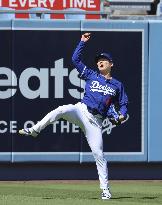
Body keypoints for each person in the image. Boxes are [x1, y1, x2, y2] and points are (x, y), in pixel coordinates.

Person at [19, 33, 128, 200]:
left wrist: (122, 115)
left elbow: (124, 104)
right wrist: (82, 42)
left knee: (99, 154)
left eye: (104, 59)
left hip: (96, 122)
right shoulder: (92, 75)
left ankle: (105, 190)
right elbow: (75, 60)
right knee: (62, 109)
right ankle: (34, 130)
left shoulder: (117, 85)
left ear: (111, 64)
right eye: (99, 59)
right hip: (81, 110)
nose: (100, 61)